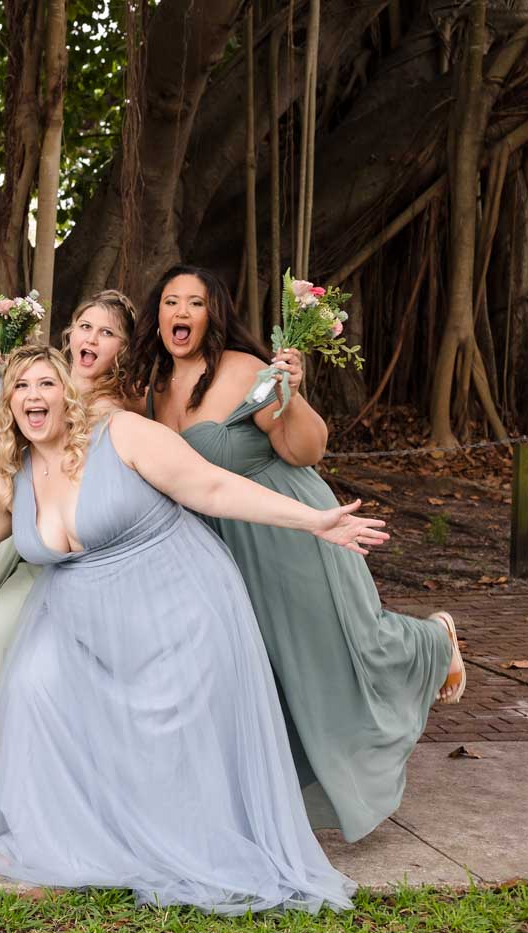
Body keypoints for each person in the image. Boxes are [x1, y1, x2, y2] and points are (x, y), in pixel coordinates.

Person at [0, 345, 366, 913]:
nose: (34, 396)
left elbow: (213, 488)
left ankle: (178, 844)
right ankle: (63, 846)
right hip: (84, 622)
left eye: (46, 384)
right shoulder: (13, 478)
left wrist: (313, 521)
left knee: (166, 737)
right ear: (8, 404)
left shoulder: (121, 434)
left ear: (67, 394)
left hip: (176, 606)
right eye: (21, 386)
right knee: (32, 686)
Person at [128, 264, 463, 843]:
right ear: (156, 315)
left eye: (195, 303)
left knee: (340, 647)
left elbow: (306, 450)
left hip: (288, 529)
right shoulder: (150, 386)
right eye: (170, 301)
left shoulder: (245, 370)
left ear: (214, 314)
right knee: (263, 667)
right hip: (217, 544)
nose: (180, 312)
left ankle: (435, 641)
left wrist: (292, 395)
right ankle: (262, 797)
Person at [0, 289, 136, 841]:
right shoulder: (45, 385)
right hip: (27, 546)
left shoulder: (121, 414)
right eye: (84, 325)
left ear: (124, 349)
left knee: (25, 672)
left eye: (107, 332)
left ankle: (26, 805)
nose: (91, 338)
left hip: (82, 564)